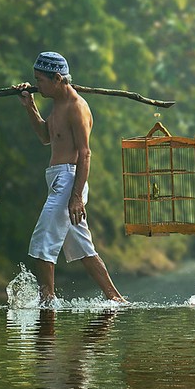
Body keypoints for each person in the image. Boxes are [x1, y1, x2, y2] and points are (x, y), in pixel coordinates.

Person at [15, 51, 125, 305]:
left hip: (69, 181)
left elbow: (85, 154)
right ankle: (116, 298)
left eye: (40, 80)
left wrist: (76, 197)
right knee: (83, 249)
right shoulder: (57, 104)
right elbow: (46, 137)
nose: (37, 85)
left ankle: (47, 301)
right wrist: (30, 105)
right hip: (58, 179)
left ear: (57, 78)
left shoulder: (77, 107)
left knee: (42, 243)